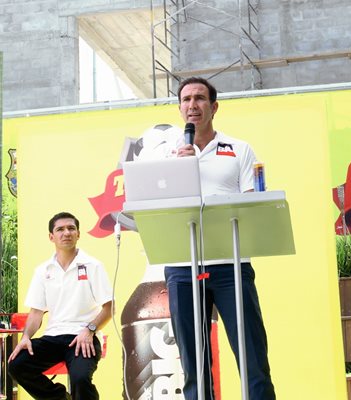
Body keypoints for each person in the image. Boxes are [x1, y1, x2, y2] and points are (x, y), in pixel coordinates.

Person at [135, 77, 275, 400]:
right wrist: (179, 171)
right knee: (194, 364)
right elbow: (154, 210)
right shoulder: (166, 156)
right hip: (183, 267)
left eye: (199, 98)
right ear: (180, 108)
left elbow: (253, 204)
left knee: (252, 355)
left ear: (214, 107)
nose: (192, 105)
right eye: (185, 99)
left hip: (230, 264)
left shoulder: (239, 149)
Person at [8, 212, 113, 400]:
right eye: (60, 229)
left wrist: (89, 330)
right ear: (51, 237)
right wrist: (25, 337)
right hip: (53, 337)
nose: (66, 233)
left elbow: (109, 307)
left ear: (78, 234)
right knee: (17, 365)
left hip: (83, 337)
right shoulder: (42, 271)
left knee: (80, 379)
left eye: (71, 228)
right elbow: (36, 312)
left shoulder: (92, 265)